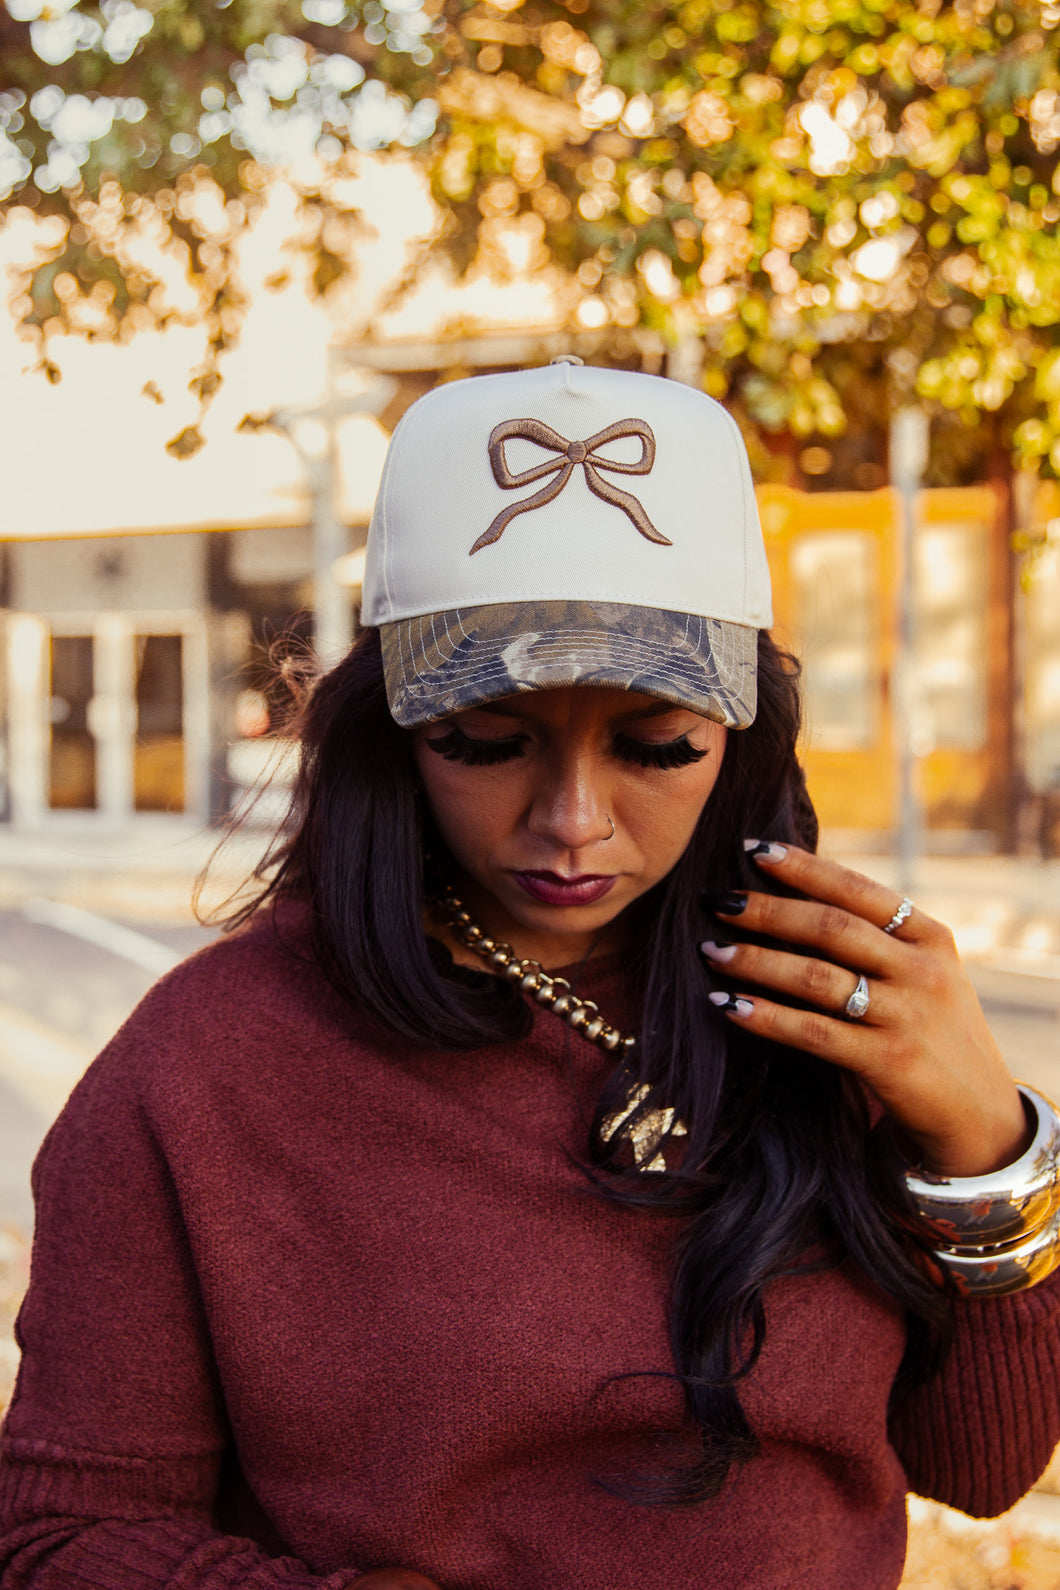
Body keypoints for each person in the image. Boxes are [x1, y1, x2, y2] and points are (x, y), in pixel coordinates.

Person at [2, 360, 1059, 1590]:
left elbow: (982, 1469)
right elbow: (63, 1540)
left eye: (656, 746)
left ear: (744, 734)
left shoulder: (834, 997)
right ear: (391, 735)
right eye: (485, 743)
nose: (571, 822)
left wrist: (987, 1141)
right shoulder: (205, 1067)